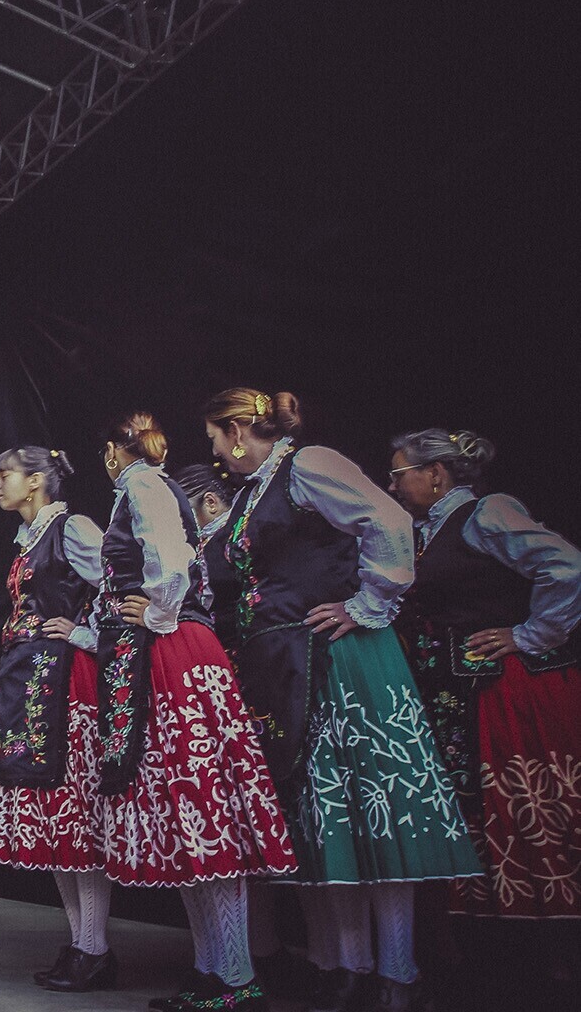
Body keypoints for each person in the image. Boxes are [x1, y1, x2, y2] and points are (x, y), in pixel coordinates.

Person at [204, 389, 479, 1012]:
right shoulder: (252, 493)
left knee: (375, 810)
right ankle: (353, 969)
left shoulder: (309, 465)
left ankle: (399, 972)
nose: (216, 451)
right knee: (331, 822)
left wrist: (366, 604)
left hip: (342, 660)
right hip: (291, 667)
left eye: (216, 437)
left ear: (239, 431)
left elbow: (387, 521)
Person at [92, 414, 296, 1012]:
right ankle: (213, 970)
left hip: (173, 653)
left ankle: (236, 977)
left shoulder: (143, 484)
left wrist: (159, 611)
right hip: (162, 654)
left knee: (202, 805)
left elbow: (170, 558)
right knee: (184, 814)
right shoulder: (143, 487)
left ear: (114, 451)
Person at [387, 428, 581, 925]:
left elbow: (567, 567)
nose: (392, 486)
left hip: (505, 689)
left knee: (516, 798)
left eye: (398, 474)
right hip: (457, 692)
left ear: (435, 473)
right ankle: (483, 932)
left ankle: (540, 936)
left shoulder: (486, 513)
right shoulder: (424, 531)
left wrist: (530, 634)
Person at [0, 446, 116, 992]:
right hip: (29, 681)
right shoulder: (28, 540)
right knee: (54, 818)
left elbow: (120, 583)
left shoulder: (72, 529)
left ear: (37, 480)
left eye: (5, 475)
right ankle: (81, 943)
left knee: (75, 813)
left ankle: (94, 946)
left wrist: (85, 632)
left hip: (64, 682)